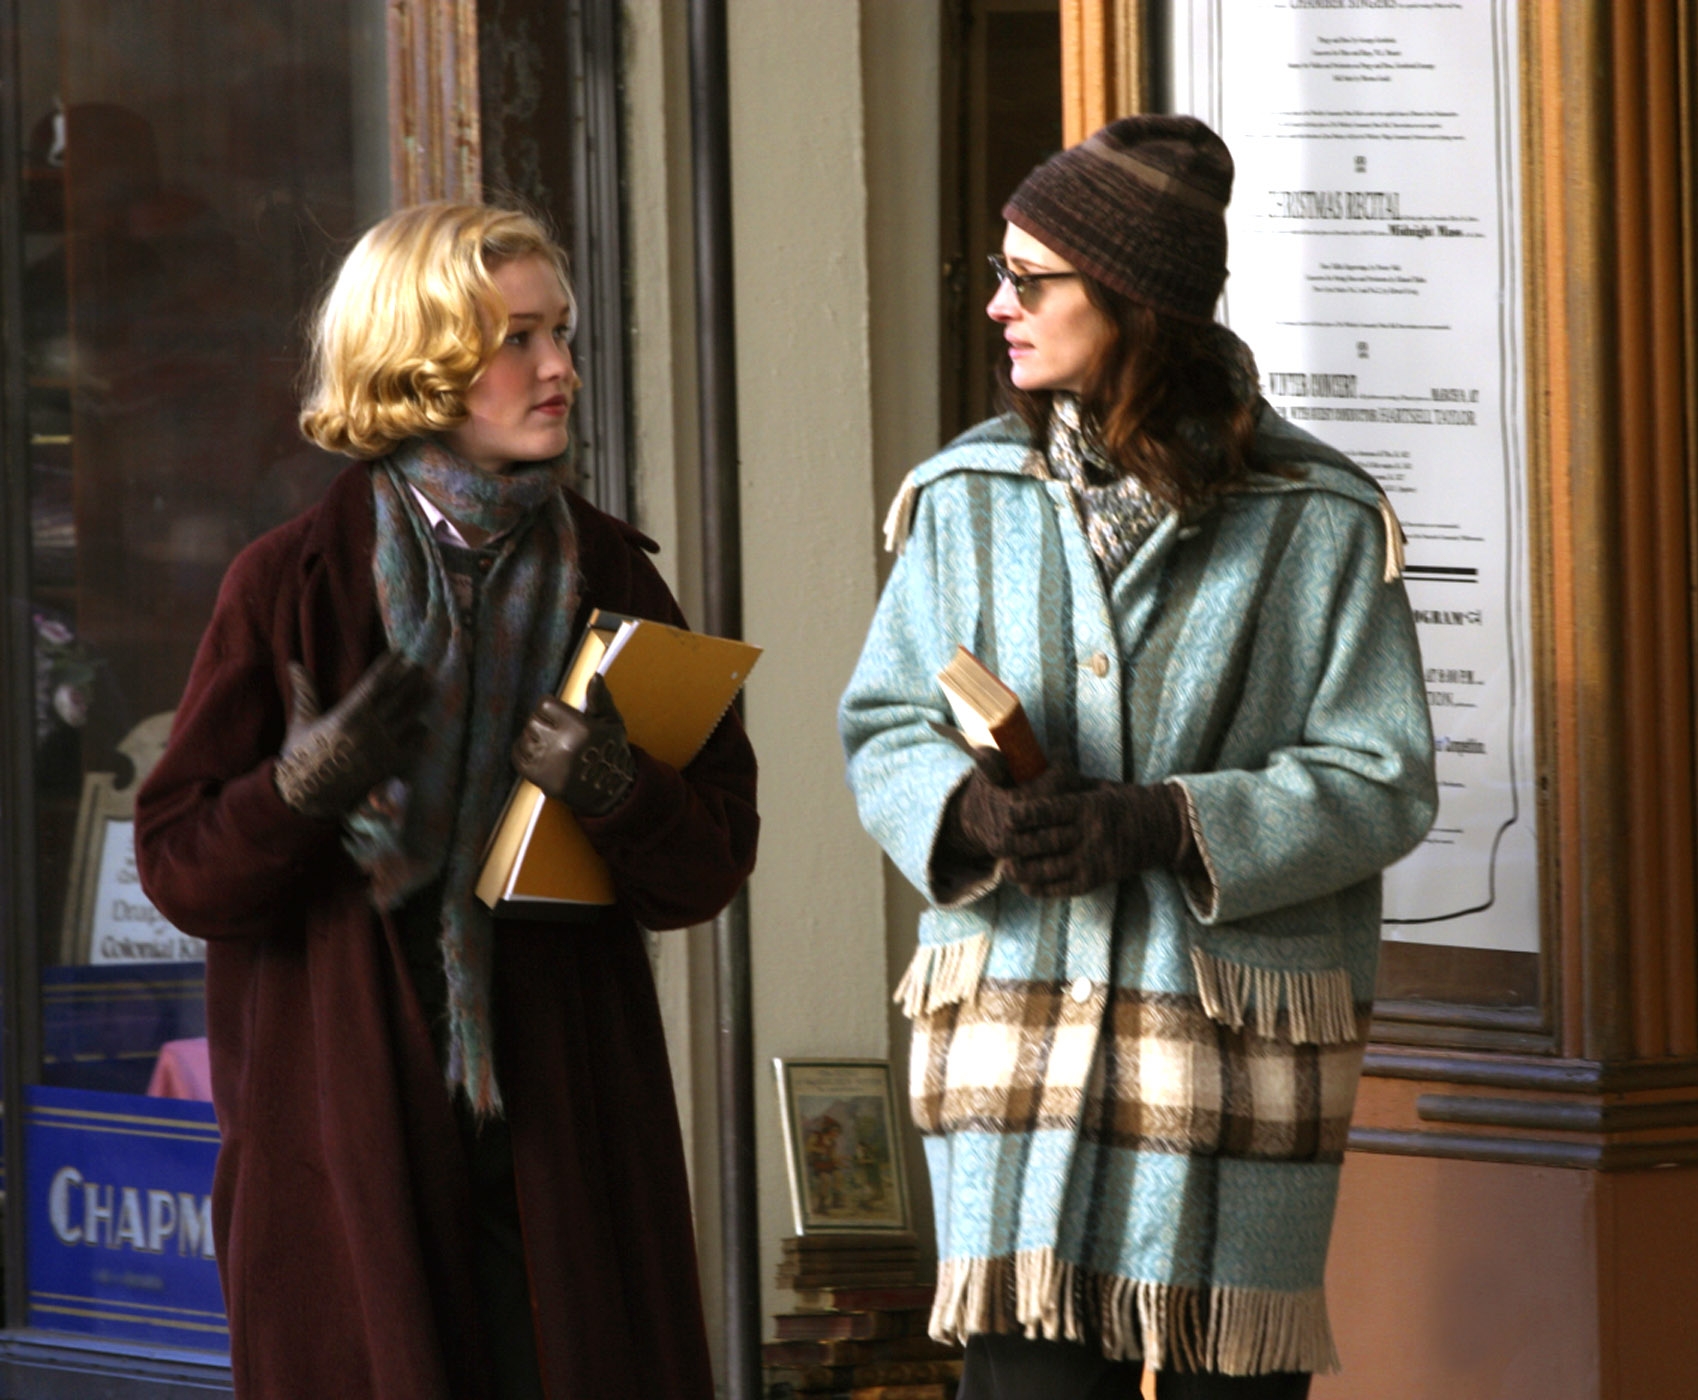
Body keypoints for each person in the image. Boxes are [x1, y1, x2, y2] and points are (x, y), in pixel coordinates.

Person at [839, 116, 1436, 1399]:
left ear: (1134, 297)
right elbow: (883, 723)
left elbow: (1383, 776)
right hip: (1015, 1062)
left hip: (1217, 1079)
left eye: (1031, 279)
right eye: (995, 274)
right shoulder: (962, 499)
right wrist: (973, 814)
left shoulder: (1315, 519)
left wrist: (1170, 822)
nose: (999, 306)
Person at [134, 202, 759, 1400]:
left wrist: (619, 787)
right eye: (518, 338)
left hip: (566, 1125)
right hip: (346, 1125)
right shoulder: (287, 585)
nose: (561, 367)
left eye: (561, 332)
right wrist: (301, 786)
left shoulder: (616, 575)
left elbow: (708, 866)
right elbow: (181, 870)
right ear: (420, 360)